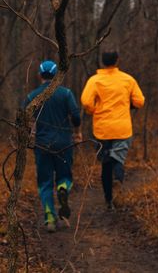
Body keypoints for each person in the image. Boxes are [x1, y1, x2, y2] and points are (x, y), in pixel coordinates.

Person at [81, 52, 145, 209]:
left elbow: (86, 101)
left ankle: (108, 200)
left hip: (102, 129)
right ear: (117, 61)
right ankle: (118, 178)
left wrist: (94, 110)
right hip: (122, 129)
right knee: (118, 159)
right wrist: (128, 105)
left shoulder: (95, 80)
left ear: (102, 62)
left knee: (105, 164)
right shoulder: (128, 79)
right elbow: (140, 101)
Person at [24, 60, 82, 232]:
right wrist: (77, 132)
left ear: (40, 75)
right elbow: (76, 117)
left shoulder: (32, 96)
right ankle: (63, 188)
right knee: (65, 176)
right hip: (64, 143)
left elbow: (23, 119)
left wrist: (30, 134)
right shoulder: (66, 93)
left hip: (42, 145)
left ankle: (50, 218)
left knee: (45, 182)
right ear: (57, 75)